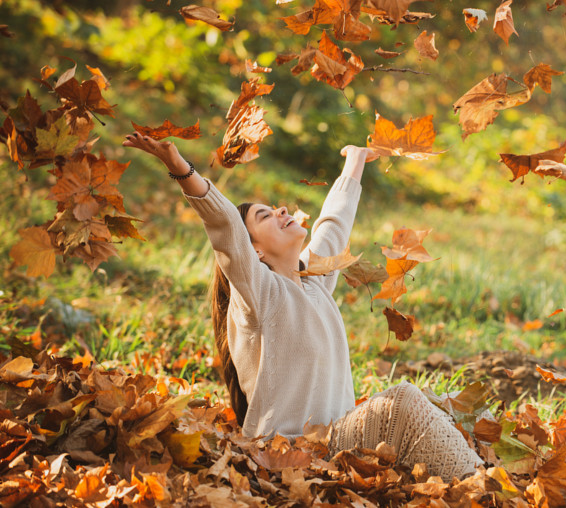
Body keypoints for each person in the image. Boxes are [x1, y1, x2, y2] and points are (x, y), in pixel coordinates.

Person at [122, 131, 483, 479]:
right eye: (265, 216)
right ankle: (485, 486)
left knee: (433, 402)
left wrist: (355, 162)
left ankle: (473, 482)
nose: (280, 211)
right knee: (402, 400)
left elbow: (333, 224)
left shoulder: (314, 281)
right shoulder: (258, 295)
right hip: (288, 453)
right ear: (255, 251)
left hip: (335, 444)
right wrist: (180, 167)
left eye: (274, 209)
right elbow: (226, 226)